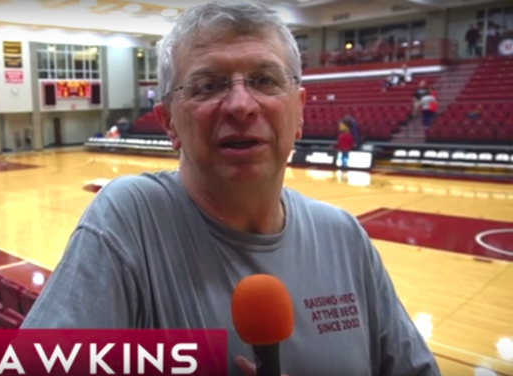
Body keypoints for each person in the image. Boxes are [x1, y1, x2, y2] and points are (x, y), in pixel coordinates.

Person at [21, 3, 438, 376]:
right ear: (169, 123)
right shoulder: (130, 220)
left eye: (265, 79)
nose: (241, 104)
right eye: (208, 85)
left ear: (299, 111)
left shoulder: (345, 237)